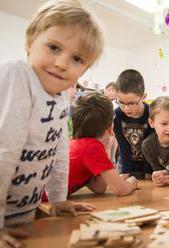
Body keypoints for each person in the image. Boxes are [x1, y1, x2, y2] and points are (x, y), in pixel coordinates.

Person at [0, 0, 103, 246]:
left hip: (22, 218)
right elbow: (4, 151)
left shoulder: (60, 98)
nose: (61, 63)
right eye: (54, 47)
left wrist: (57, 200)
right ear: (30, 42)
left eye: (77, 58)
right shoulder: (18, 75)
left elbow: (58, 151)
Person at [68, 91, 137, 196]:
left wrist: (105, 149)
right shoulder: (91, 147)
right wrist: (132, 182)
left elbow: (99, 187)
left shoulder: (79, 145)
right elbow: (121, 190)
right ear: (110, 129)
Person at [113, 69, 154, 179]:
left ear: (143, 97)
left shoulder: (151, 114)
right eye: (121, 102)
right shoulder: (117, 116)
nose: (126, 109)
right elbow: (123, 146)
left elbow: (151, 147)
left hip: (149, 167)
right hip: (125, 166)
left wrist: (148, 173)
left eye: (131, 103)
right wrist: (125, 172)